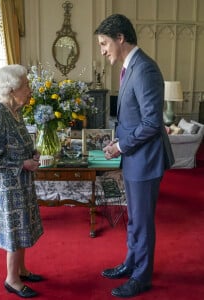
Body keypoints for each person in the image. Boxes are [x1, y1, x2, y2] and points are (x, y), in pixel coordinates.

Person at [94, 14, 174, 298]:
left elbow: (153, 123)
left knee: (141, 220)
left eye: (104, 43)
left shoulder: (145, 69)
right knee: (134, 219)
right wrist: (118, 140)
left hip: (145, 160)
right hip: (134, 157)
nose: (102, 50)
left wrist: (120, 147)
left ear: (120, 38)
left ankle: (142, 276)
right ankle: (131, 262)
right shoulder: (129, 67)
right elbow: (134, 118)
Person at [0, 64, 44, 298]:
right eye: (25, 85)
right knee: (14, 232)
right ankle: (12, 279)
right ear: (11, 89)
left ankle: (22, 270)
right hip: (8, 188)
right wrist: (22, 165)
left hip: (22, 184)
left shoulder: (15, 112)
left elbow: (17, 146)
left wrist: (32, 154)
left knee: (22, 229)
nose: (29, 89)